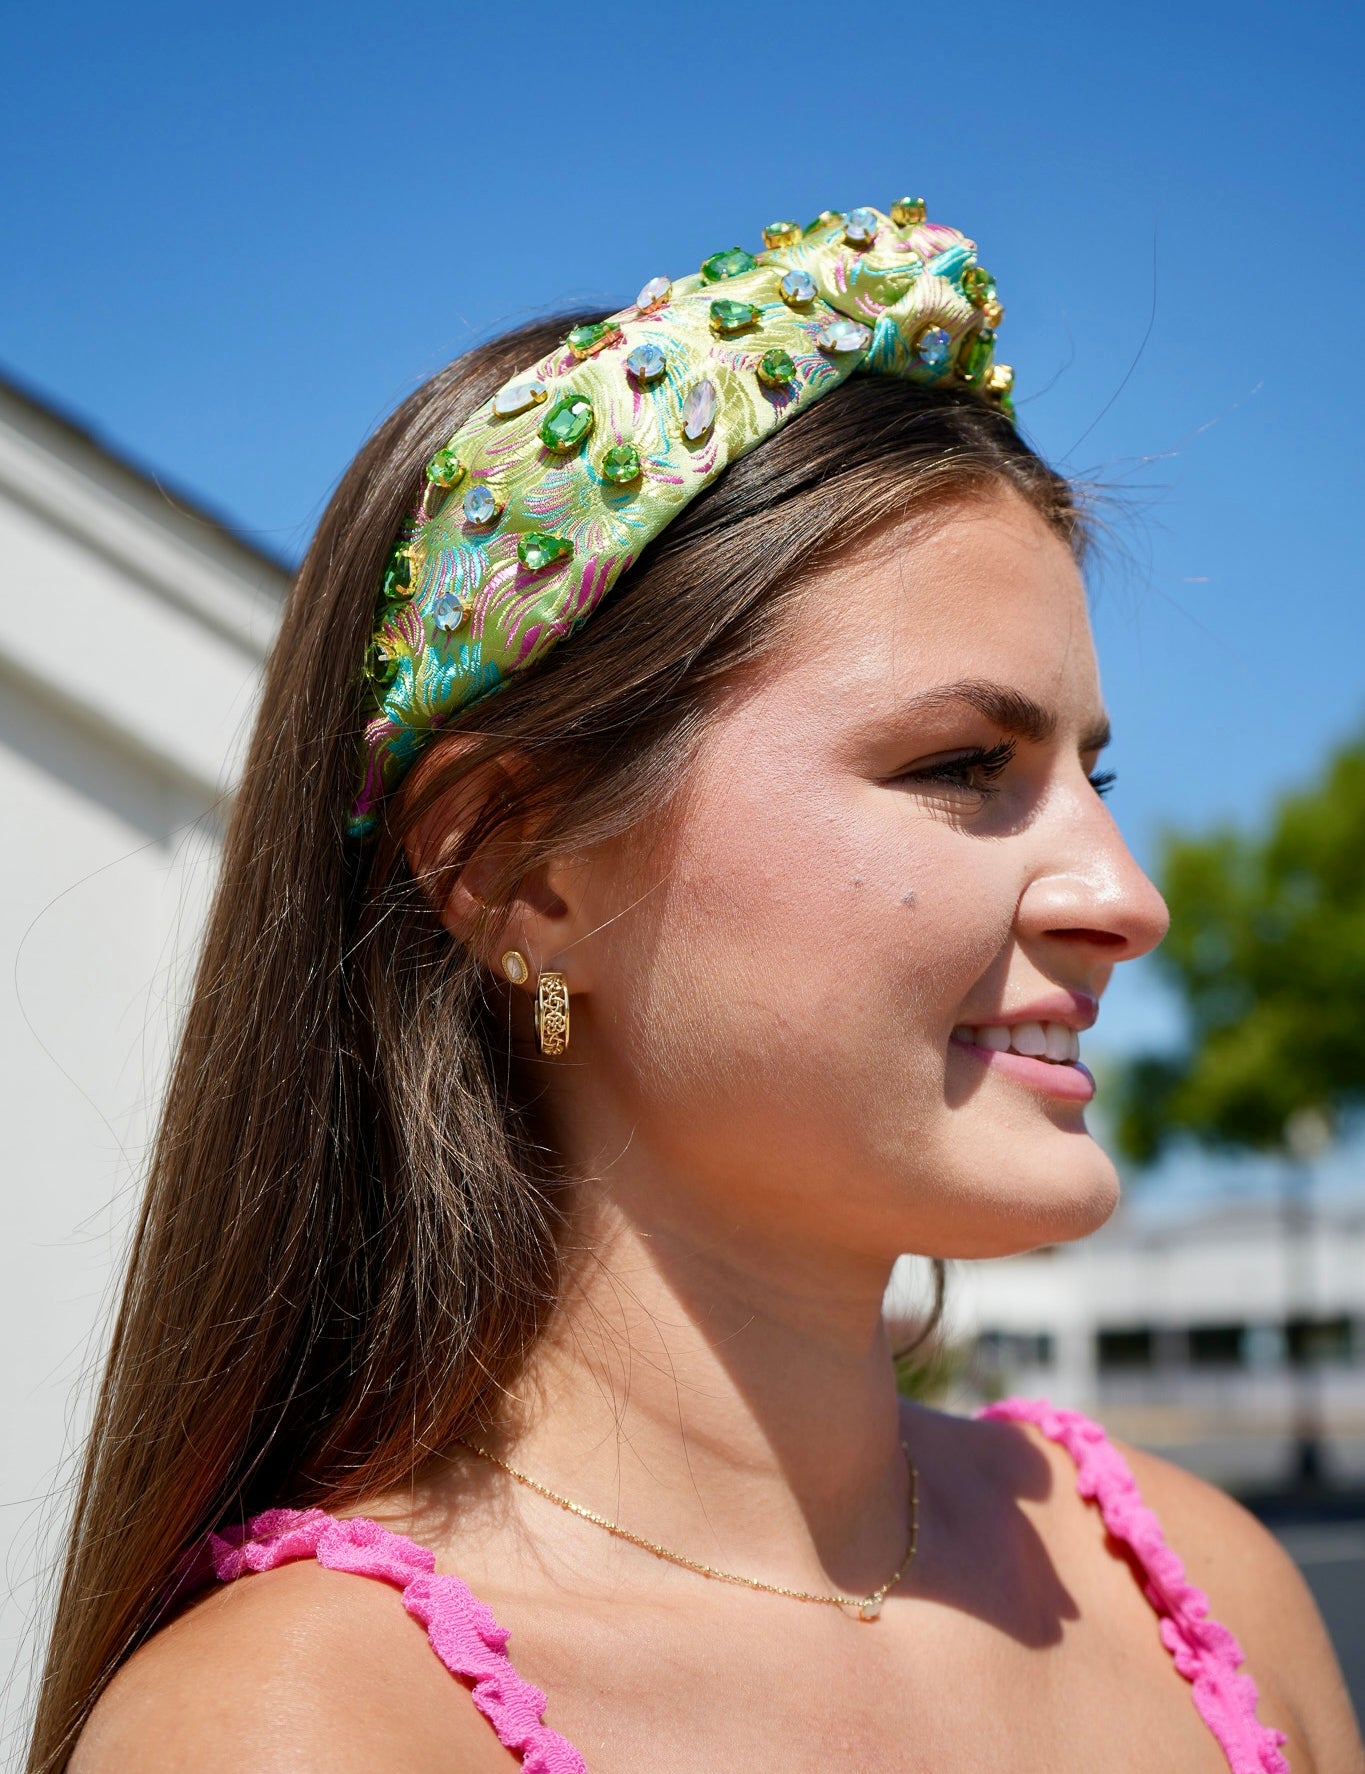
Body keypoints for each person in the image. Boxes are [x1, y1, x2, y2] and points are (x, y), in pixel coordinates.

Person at [30, 201, 1361, 1774]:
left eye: (1092, 772)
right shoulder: (306, 1728)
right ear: (522, 871)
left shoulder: (1199, 1587)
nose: (1122, 899)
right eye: (961, 765)